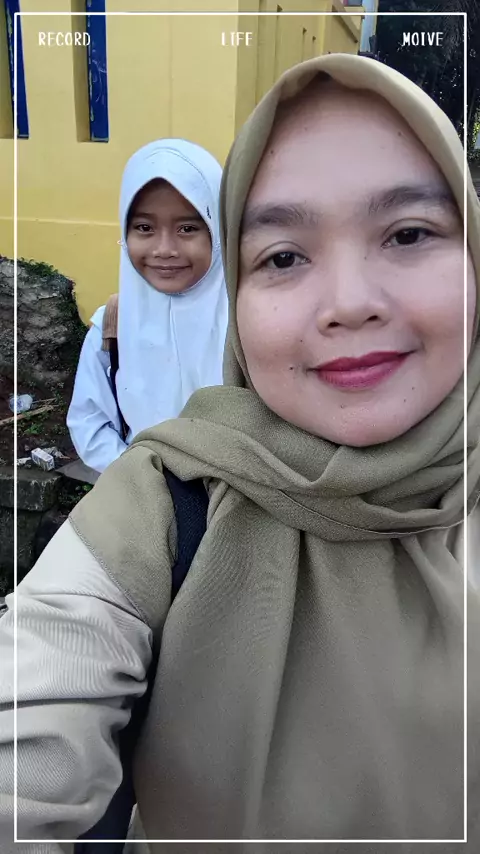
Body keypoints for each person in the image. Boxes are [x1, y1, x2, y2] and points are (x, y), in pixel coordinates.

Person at [1, 52, 480, 854]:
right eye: (283, 257)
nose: (349, 304)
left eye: (409, 233)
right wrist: (131, 468)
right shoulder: (165, 502)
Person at [66, 139, 228, 473]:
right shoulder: (112, 324)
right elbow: (89, 421)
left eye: (187, 228)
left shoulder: (248, 324)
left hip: (237, 493)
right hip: (143, 491)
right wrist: (143, 476)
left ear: (218, 231)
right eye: (144, 228)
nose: (164, 249)